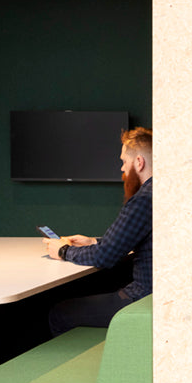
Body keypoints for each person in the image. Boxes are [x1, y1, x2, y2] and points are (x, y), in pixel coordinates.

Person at [44, 126, 153, 336]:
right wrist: (94, 241)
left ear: (139, 162)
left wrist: (63, 251)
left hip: (142, 297)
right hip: (156, 294)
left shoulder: (145, 199)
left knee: (59, 313)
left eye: (124, 161)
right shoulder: (167, 191)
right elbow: (130, 239)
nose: (122, 168)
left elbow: (105, 257)